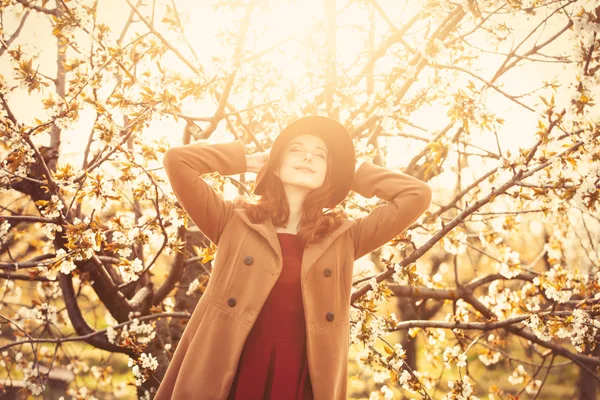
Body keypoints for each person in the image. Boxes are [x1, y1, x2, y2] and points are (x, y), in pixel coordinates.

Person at [154, 116, 432, 399]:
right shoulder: (233, 220)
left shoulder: (344, 237)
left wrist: (353, 176)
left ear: (328, 171)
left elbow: (417, 194)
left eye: (320, 155)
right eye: (296, 149)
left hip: (303, 374)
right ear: (275, 164)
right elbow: (178, 161)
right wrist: (246, 161)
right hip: (229, 364)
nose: (308, 157)